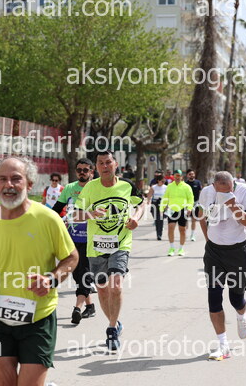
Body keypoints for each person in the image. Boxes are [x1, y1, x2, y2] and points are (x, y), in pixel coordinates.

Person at [0, 156, 78, 386]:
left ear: (29, 184)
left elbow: (71, 257)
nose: (8, 185)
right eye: (2, 179)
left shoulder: (48, 218)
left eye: (16, 179)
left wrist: (51, 279)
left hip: (38, 318)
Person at [74, 150, 145, 351]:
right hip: (96, 246)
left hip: (121, 243)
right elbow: (76, 215)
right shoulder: (89, 188)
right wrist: (91, 213)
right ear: (96, 167)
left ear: (115, 164)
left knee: (116, 285)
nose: (105, 166)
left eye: (108, 162)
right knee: (102, 289)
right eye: (101, 163)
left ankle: (111, 329)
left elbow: (141, 205)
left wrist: (135, 218)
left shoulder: (126, 185)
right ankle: (115, 322)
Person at [199, 172, 246, 361]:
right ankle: (223, 345)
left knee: (236, 299)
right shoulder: (207, 192)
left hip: (237, 251)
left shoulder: (244, 191)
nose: (226, 193)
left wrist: (232, 204)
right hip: (214, 252)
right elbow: (200, 216)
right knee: (214, 297)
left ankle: (242, 316)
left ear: (233, 185)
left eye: (230, 190)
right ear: (214, 186)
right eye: (222, 191)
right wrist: (208, 239)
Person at [52, 158, 97, 325]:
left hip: (91, 239)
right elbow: (56, 210)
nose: (82, 173)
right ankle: (90, 306)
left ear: (92, 171)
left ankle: (77, 309)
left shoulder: (97, 188)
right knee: (78, 274)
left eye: (86, 170)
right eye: (79, 170)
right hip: (72, 239)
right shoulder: (70, 188)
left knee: (85, 273)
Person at [161, 169, 194, 256]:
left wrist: (189, 208)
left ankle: (181, 248)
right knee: (171, 227)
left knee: (182, 230)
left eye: (179, 175)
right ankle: (171, 248)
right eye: (176, 175)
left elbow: (190, 198)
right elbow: (165, 197)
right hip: (172, 210)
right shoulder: (170, 186)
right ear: (174, 176)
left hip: (183, 210)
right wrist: (162, 208)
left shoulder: (186, 187)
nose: (177, 177)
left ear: (182, 177)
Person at [147, 173, 168, 240]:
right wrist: (148, 200)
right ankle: (158, 231)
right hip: (155, 203)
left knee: (160, 219)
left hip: (162, 204)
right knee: (156, 219)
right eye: (162, 181)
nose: (163, 182)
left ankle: (159, 234)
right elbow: (149, 194)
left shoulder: (166, 187)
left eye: (164, 181)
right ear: (158, 180)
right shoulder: (154, 187)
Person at [185, 169, 203, 241]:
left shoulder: (198, 182)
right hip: (187, 204)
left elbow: (201, 192)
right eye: (190, 174)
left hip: (196, 203)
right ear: (187, 175)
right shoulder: (185, 184)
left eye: (192, 174)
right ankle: (185, 234)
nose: (191, 175)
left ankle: (192, 235)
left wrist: (200, 202)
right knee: (186, 219)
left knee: (193, 220)